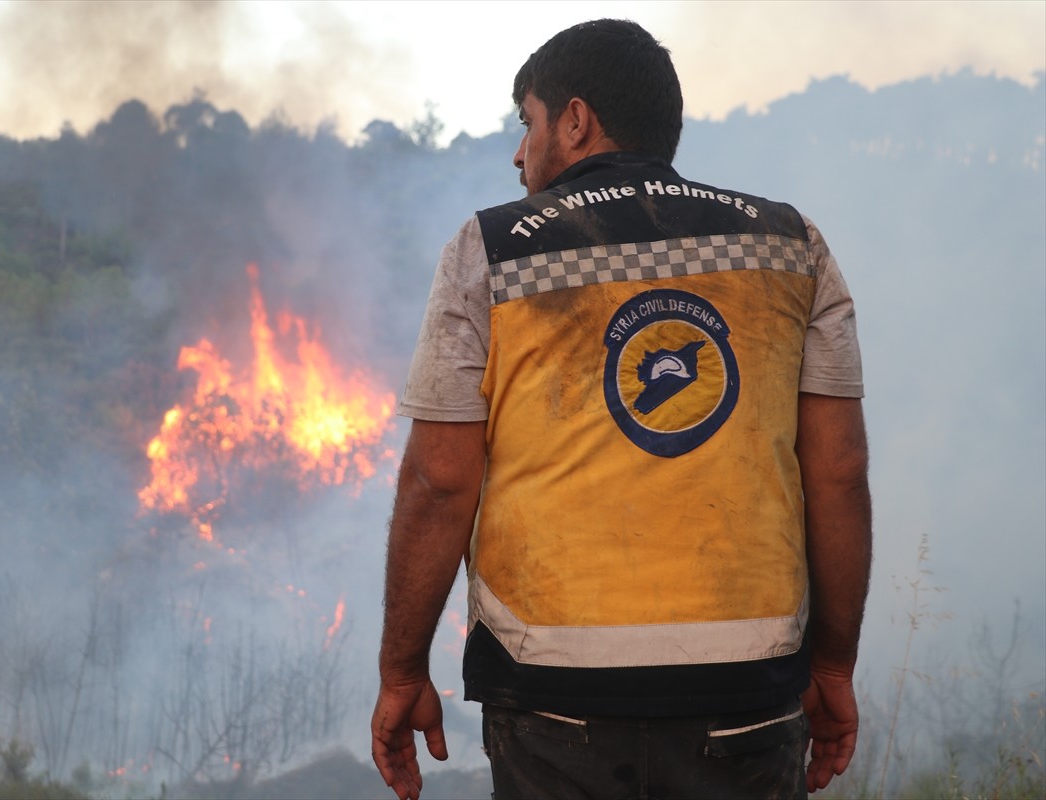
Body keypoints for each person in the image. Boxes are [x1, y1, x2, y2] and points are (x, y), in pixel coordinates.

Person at [370, 19, 871, 800]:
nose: (518, 151)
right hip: (748, 690)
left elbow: (439, 482)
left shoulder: (491, 250)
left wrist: (402, 671)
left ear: (575, 120)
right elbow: (839, 473)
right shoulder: (791, 244)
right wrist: (833, 664)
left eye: (526, 123)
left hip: (554, 698)